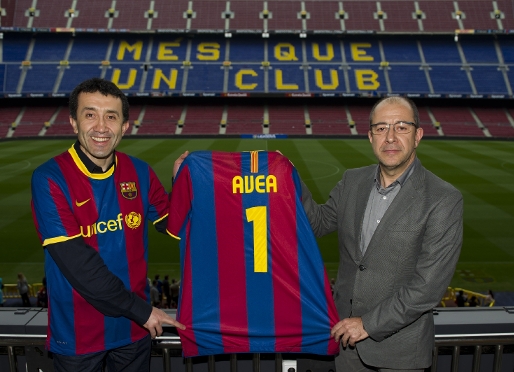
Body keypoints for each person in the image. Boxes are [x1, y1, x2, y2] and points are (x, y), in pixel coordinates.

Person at [31, 78, 186, 372]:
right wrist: (142, 311)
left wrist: (182, 184)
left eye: (111, 116)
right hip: (80, 337)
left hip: (133, 332)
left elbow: (173, 225)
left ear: (124, 126)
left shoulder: (140, 171)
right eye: (90, 114)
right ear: (74, 123)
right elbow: (80, 266)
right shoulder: (49, 178)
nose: (101, 126)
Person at [301, 96, 463, 371]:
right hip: (346, 346)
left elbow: (427, 288)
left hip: (399, 355)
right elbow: (317, 223)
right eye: (381, 128)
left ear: (418, 135)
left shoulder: (443, 199)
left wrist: (368, 324)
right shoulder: (352, 181)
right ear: (370, 136)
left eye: (401, 127)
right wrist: (290, 178)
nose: (390, 137)